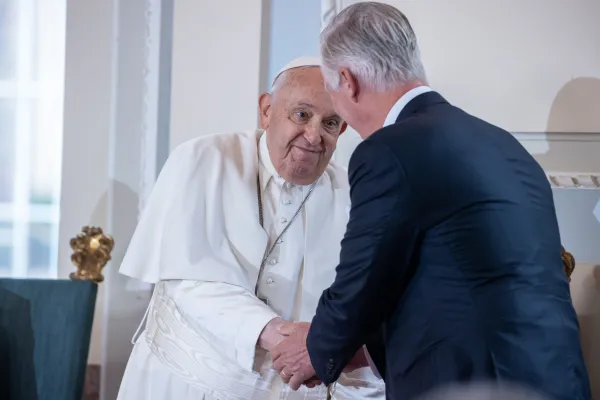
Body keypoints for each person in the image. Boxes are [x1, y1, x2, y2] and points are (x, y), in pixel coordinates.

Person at [271, 3, 592, 400]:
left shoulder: (388, 150)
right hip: (558, 379)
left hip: (475, 386)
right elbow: (453, 281)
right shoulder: (504, 144)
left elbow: (364, 278)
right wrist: (356, 349)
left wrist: (317, 350)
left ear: (348, 82)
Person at [116, 56, 384, 400]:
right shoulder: (204, 159)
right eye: (301, 115)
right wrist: (283, 337)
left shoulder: (351, 192)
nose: (314, 135)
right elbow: (190, 281)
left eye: (331, 122)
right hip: (185, 384)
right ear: (267, 109)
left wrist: (324, 349)